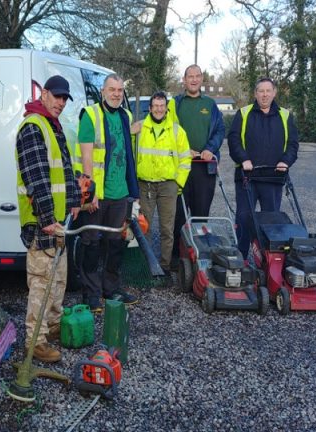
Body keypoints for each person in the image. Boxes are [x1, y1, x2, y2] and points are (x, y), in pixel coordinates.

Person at [15, 75, 81, 363]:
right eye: (57, 96)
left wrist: (74, 202)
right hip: (43, 223)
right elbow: (37, 180)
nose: (61, 102)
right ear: (43, 94)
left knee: (58, 279)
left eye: (65, 98)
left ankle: (52, 325)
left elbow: (64, 171)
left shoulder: (54, 126)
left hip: (59, 220)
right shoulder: (33, 128)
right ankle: (35, 340)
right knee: (42, 283)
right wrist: (46, 217)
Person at [73, 73, 140, 311]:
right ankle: (90, 293)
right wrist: (90, 194)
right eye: (112, 89)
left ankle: (111, 288)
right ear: (103, 91)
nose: (116, 94)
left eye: (120, 90)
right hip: (97, 195)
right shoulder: (90, 115)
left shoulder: (126, 115)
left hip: (119, 192)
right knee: (90, 243)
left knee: (115, 243)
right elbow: (87, 156)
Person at [227, 77, 299, 257]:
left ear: (274, 93)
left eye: (268, 91)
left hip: (273, 178)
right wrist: (243, 159)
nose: (265, 94)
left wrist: (285, 161)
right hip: (247, 177)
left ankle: (269, 260)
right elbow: (234, 140)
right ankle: (241, 257)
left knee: (271, 221)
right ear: (255, 94)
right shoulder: (243, 114)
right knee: (244, 217)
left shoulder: (285, 115)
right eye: (261, 91)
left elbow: (293, 144)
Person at [168, 65, 225, 267]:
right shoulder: (175, 104)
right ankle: (176, 257)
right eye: (189, 76)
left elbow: (219, 131)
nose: (193, 80)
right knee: (178, 215)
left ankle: (199, 254)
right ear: (184, 80)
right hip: (181, 167)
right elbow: (167, 130)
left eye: (197, 76)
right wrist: (183, 150)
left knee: (201, 214)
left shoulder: (210, 104)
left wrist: (210, 148)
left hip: (204, 167)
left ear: (202, 79)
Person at [133, 91, 191, 277]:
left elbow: (185, 161)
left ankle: (164, 266)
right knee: (144, 227)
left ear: (166, 108)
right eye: (155, 106)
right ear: (149, 108)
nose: (158, 109)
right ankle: (146, 265)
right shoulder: (139, 128)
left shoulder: (177, 131)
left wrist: (178, 183)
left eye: (161, 106)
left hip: (168, 185)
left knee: (167, 228)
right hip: (145, 185)